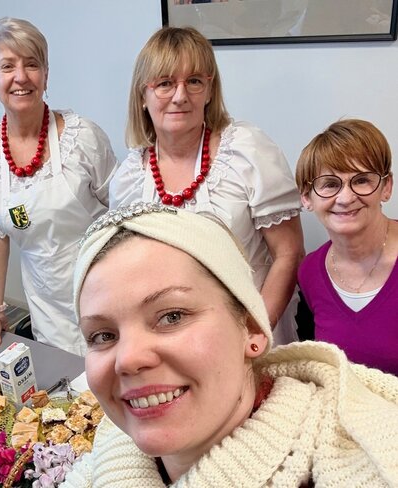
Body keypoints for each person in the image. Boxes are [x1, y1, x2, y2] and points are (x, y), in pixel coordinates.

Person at [63, 202, 398, 487]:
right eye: (103, 336)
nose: (127, 359)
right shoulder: (104, 455)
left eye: (172, 316)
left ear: (251, 328)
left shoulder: (361, 465)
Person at [110, 27, 303, 345]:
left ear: (210, 91)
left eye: (194, 81)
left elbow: (289, 253)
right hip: (173, 339)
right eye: (165, 83)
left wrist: (253, 333)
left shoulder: (247, 152)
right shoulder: (129, 178)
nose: (180, 96)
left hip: (253, 329)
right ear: (142, 96)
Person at [0, 17, 117, 355]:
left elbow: (124, 212)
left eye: (31, 64)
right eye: (7, 66)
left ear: (45, 75)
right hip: (45, 302)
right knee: (65, 380)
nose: (21, 77)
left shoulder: (82, 137)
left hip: (105, 287)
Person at [296, 119, 397, 376]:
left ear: (386, 187)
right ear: (306, 197)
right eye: (330, 184)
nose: (346, 198)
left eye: (361, 180)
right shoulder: (309, 273)